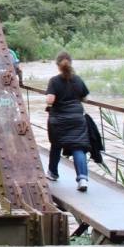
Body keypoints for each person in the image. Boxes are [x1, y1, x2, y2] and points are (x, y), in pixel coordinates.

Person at [45, 51, 91, 191]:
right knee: (78, 147)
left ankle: (53, 172)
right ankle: (82, 179)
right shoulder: (77, 79)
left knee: (56, 145)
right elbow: (84, 99)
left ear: (57, 65)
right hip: (77, 119)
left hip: (59, 119)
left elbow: (50, 100)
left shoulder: (54, 81)